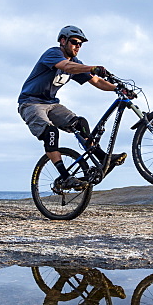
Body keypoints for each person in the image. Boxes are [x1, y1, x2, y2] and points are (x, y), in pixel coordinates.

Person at [18, 25, 127, 189]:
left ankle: (104, 157)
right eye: (75, 42)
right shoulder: (53, 53)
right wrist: (93, 68)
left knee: (80, 124)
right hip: (30, 103)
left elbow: (96, 81)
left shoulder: (76, 63)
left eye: (80, 44)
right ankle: (65, 177)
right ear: (63, 41)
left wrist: (118, 88)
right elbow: (67, 67)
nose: (78, 46)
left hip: (51, 103)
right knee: (51, 133)